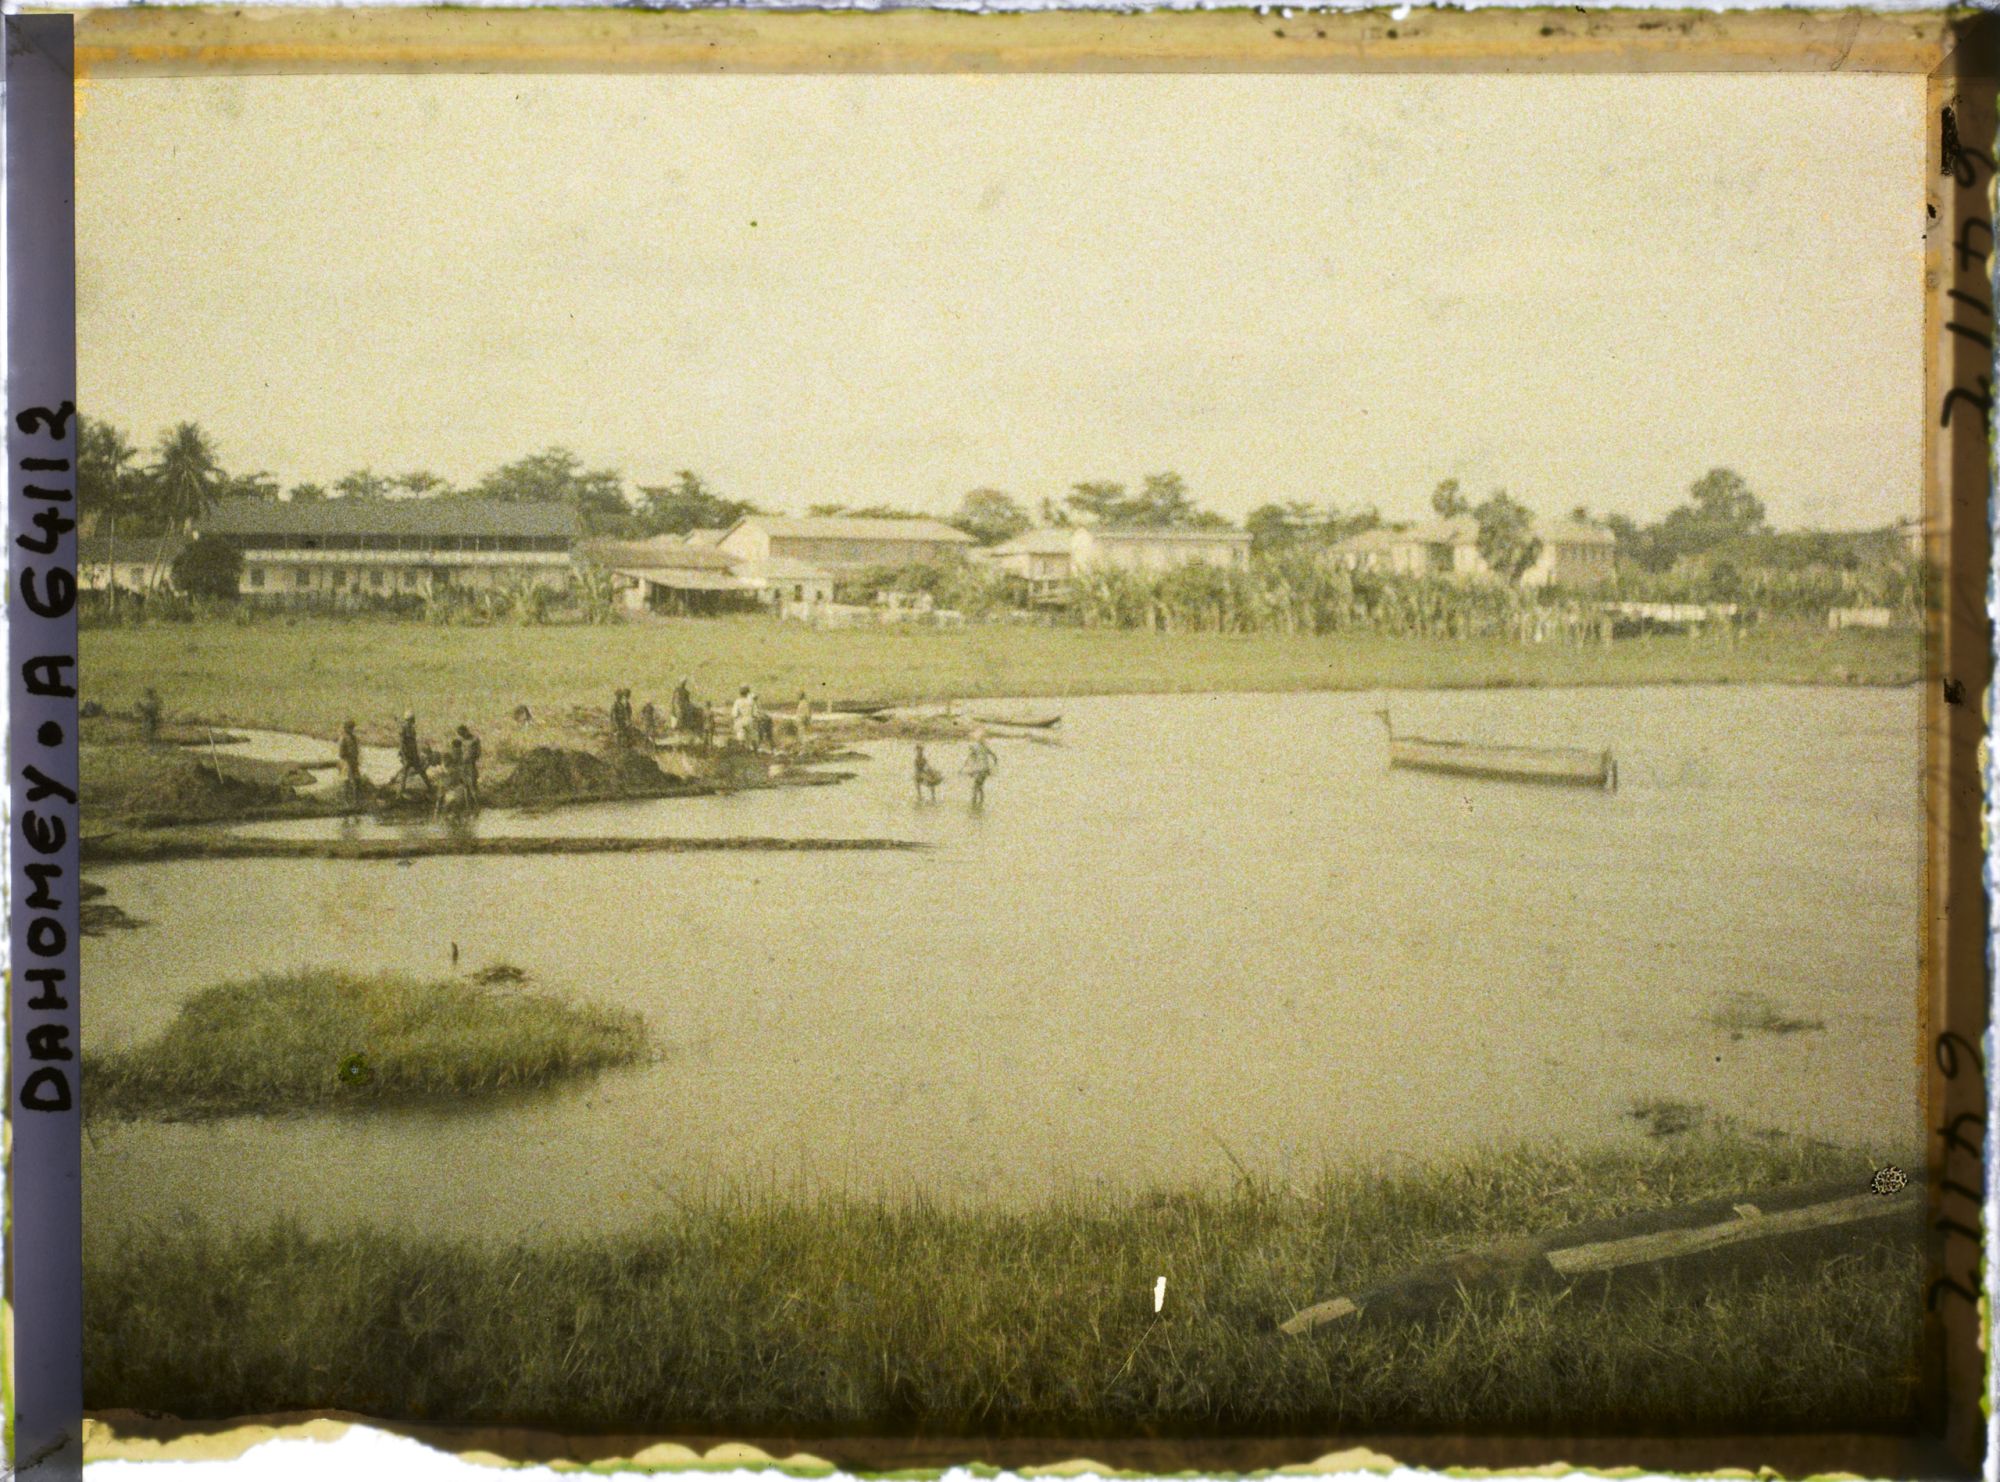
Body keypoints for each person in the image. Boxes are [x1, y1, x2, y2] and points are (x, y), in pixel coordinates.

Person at [393, 710, 433, 797]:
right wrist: (404, 755)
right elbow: (402, 743)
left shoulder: (410, 728)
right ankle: (401, 791)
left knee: (417, 771)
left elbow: (413, 743)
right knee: (407, 772)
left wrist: (415, 755)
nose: (412, 722)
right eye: (411, 720)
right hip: (408, 754)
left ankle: (430, 787)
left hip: (412, 754)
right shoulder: (404, 728)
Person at [963, 730, 999, 807]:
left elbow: (970, 757)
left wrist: (965, 767)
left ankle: (974, 804)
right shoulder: (985, 748)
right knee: (980, 786)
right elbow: (994, 756)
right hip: (985, 770)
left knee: (975, 787)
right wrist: (995, 765)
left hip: (980, 770)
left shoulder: (975, 748)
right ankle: (980, 803)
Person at [336, 718, 364, 814]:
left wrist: (355, 760)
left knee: (357, 781)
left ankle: (356, 803)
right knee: (347, 782)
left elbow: (356, 750)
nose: (351, 729)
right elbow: (341, 754)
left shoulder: (353, 738)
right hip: (346, 763)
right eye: (350, 728)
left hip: (353, 762)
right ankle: (346, 803)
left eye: (352, 728)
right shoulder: (343, 738)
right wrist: (349, 758)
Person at [456, 724, 482, 805]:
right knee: (465, 786)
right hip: (462, 765)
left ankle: (477, 804)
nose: (462, 735)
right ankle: (468, 805)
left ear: (466, 731)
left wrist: (472, 760)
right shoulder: (460, 741)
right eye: (460, 734)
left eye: (463, 733)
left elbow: (478, 752)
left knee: (473, 784)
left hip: (470, 764)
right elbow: (458, 752)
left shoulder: (474, 739)